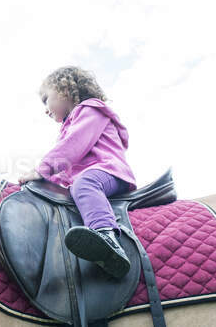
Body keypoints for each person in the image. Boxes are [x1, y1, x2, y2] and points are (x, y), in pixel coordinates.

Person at [17, 66, 137, 279]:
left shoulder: (91, 110)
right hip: (89, 175)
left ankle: (107, 237)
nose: (45, 109)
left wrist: (41, 170)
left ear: (65, 89)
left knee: (84, 184)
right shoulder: (69, 125)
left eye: (46, 99)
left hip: (107, 172)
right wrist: (41, 185)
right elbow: (64, 170)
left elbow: (72, 147)